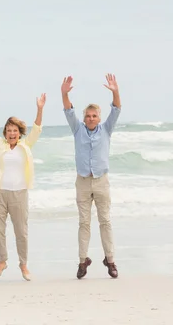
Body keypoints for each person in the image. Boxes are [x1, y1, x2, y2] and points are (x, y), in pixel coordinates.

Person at [0, 90, 45, 281]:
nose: (12, 134)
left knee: (21, 232)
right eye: (9, 131)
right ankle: (2, 261)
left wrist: (39, 109)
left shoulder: (26, 145)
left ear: (19, 132)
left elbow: (37, 129)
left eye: (15, 131)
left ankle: (23, 265)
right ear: (5, 134)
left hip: (19, 194)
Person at [61, 74, 121, 279]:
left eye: (94, 116)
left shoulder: (106, 129)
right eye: (88, 116)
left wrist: (115, 91)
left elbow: (116, 110)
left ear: (99, 117)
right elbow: (68, 111)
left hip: (102, 181)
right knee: (84, 223)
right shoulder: (78, 129)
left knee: (105, 221)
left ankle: (110, 260)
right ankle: (82, 261)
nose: (91, 119)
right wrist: (64, 93)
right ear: (84, 117)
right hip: (83, 182)